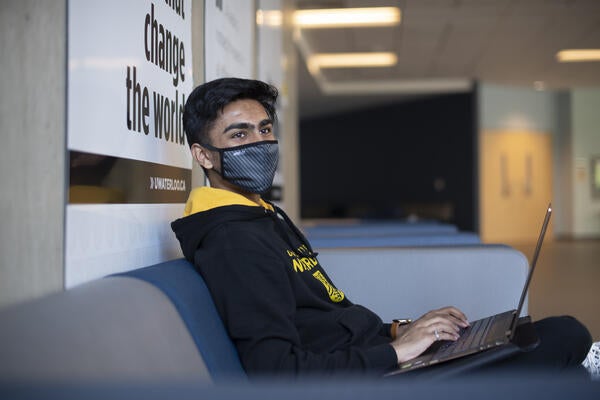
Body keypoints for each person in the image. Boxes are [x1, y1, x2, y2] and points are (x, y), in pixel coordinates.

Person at [171, 77, 594, 378]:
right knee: (564, 335)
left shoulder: (261, 215)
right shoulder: (233, 241)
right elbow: (276, 369)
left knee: (530, 333)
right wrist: (397, 353)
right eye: (239, 135)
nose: (260, 144)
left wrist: (400, 330)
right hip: (373, 380)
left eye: (265, 130)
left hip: (379, 357)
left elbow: (327, 316)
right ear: (204, 155)